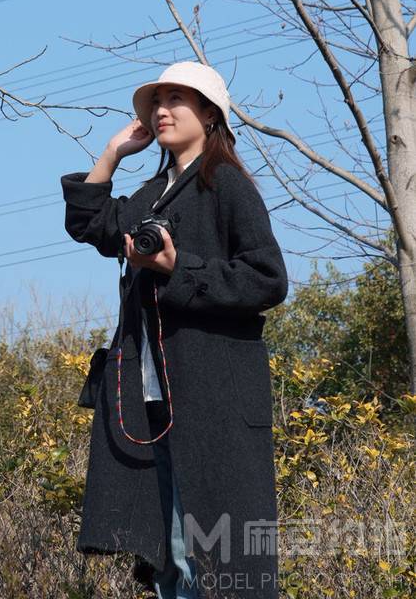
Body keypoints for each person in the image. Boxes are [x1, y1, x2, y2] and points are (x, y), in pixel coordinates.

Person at [61, 61, 289, 599]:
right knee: (166, 550)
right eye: (156, 101)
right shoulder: (153, 194)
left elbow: (268, 279)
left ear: (210, 114)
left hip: (214, 395)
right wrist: (113, 152)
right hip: (149, 399)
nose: (162, 110)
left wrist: (175, 268)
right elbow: (89, 224)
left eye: (177, 101)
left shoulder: (225, 183)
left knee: (216, 557)